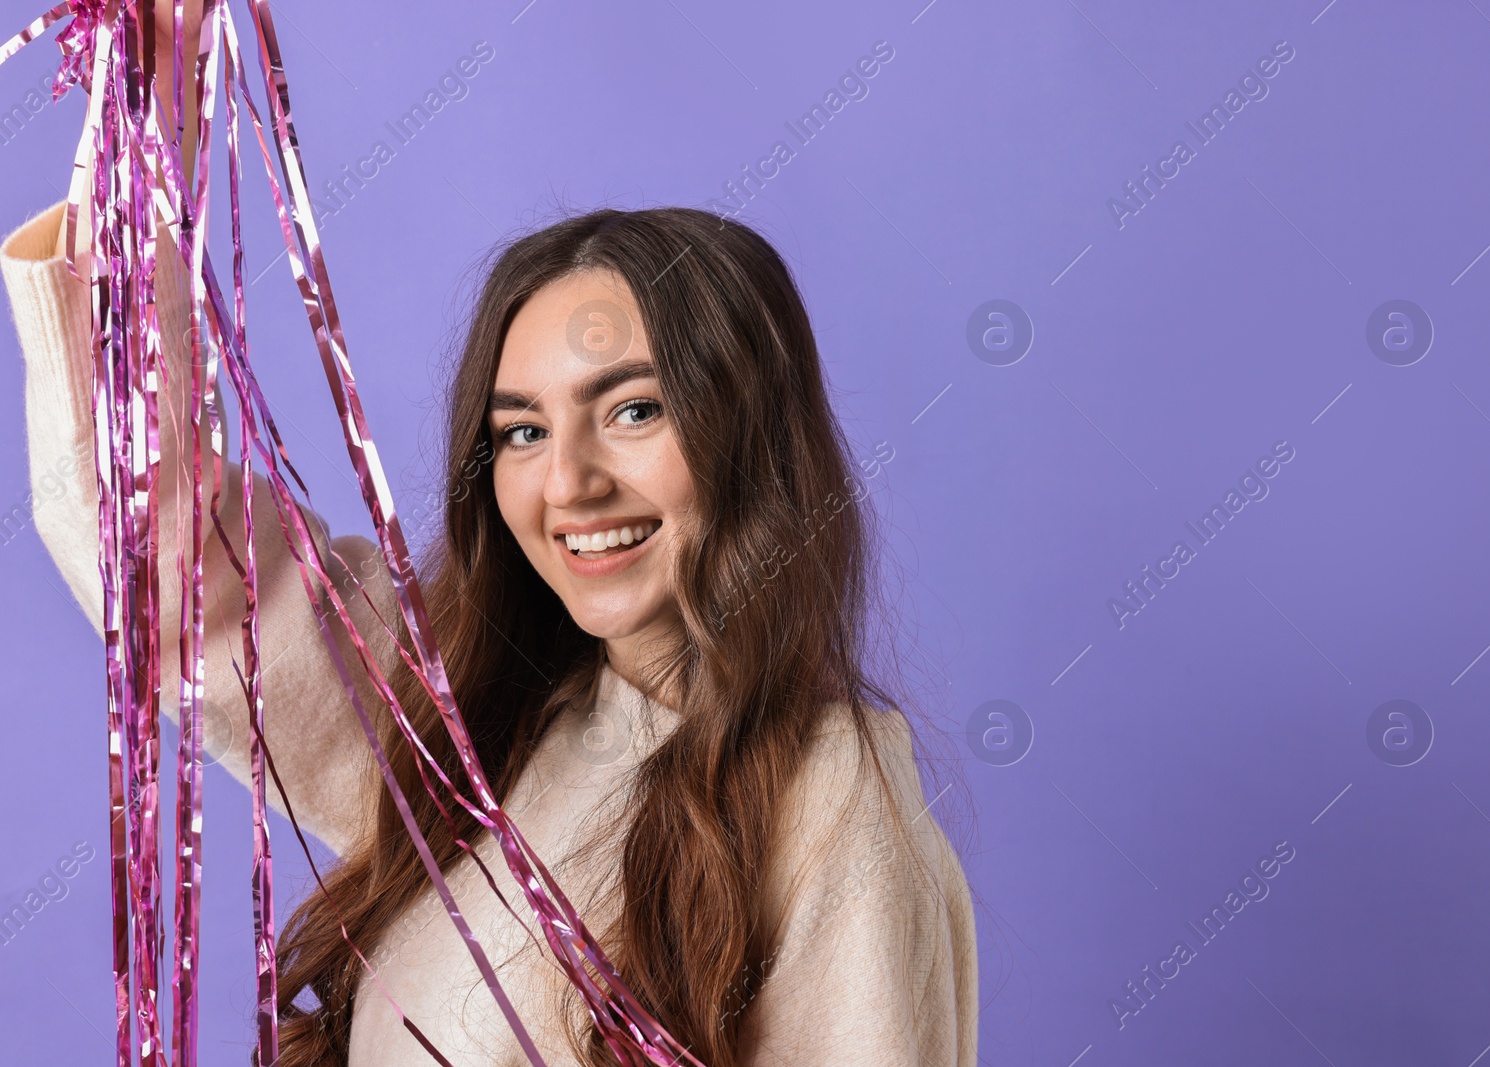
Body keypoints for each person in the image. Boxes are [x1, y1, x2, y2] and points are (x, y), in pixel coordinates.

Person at [0, 7, 977, 1067]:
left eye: (634, 409)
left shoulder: (832, 806)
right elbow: (163, 552)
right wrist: (152, 131)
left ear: (747, 433)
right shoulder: (473, 723)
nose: (569, 483)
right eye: (521, 429)